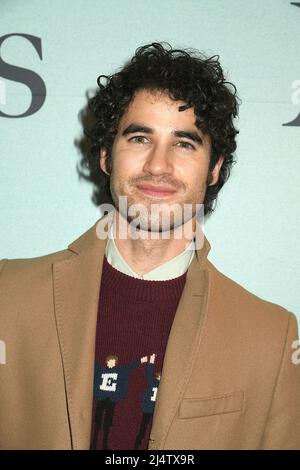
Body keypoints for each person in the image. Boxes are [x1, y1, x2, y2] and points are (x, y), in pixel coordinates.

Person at [0, 42, 299, 450]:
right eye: (140, 138)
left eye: (184, 143)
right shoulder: (7, 293)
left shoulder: (272, 336)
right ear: (106, 155)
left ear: (214, 168)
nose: (158, 165)